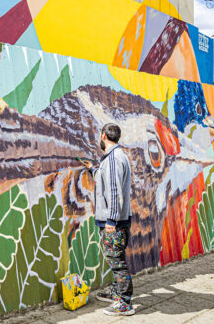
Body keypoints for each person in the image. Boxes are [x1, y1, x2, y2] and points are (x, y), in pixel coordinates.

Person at [82, 123, 135, 316]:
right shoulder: (115, 157)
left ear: (103, 136)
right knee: (115, 258)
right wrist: (92, 169)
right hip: (117, 220)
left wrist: (111, 220)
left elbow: (114, 191)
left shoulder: (113, 159)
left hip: (114, 222)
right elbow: (107, 179)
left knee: (117, 261)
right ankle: (117, 292)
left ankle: (124, 303)